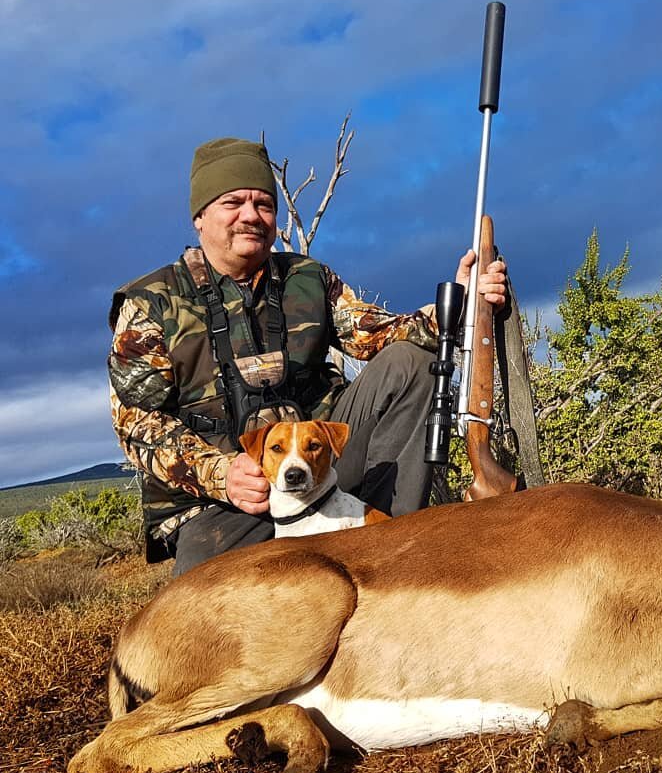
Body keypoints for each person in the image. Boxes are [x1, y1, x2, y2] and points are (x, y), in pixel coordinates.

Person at [108, 137, 506, 574]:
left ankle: (391, 544)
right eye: (232, 202)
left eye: (263, 204)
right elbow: (135, 423)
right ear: (200, 216)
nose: (250, 216)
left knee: (409, 363)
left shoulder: (307, 278)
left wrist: (462, 305)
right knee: (204, 603)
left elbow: (378, 335)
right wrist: (221, 475)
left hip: (320, 468)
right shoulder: (152, 302)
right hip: (224, 501)